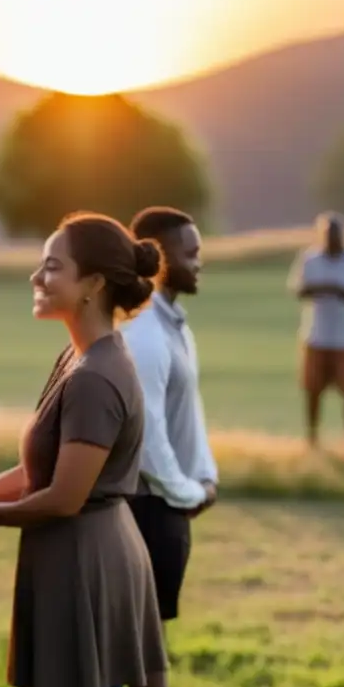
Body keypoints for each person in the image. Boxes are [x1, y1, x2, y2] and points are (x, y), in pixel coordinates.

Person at [0, 213, 223, 687]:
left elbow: (65, 497)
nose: (35, 278)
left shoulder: (95, 376)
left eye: (51, 266)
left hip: (86, 562)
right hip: (84, 553)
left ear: (92, 284)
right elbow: (38, 474)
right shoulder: (78, 358)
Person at [121, 207, 218, 628]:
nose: (199, 263)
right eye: (190, 253)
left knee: (149, 646)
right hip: (148, 508)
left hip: (170, 506)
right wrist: (187, 492)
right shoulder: (143, 333)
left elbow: (188, 414)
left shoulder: (176, 326)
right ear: (160, 257)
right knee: (142, 647)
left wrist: (205, 474)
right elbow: (148, 434)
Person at [287, 212, 344, 453]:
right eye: (328, 235)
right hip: (316, 334)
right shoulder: (309, 259)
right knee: (313, 389)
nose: (332, 239)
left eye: (336, 235)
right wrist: (320, 288)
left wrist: (339, 290)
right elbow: (298, 290)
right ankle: (312, 439)